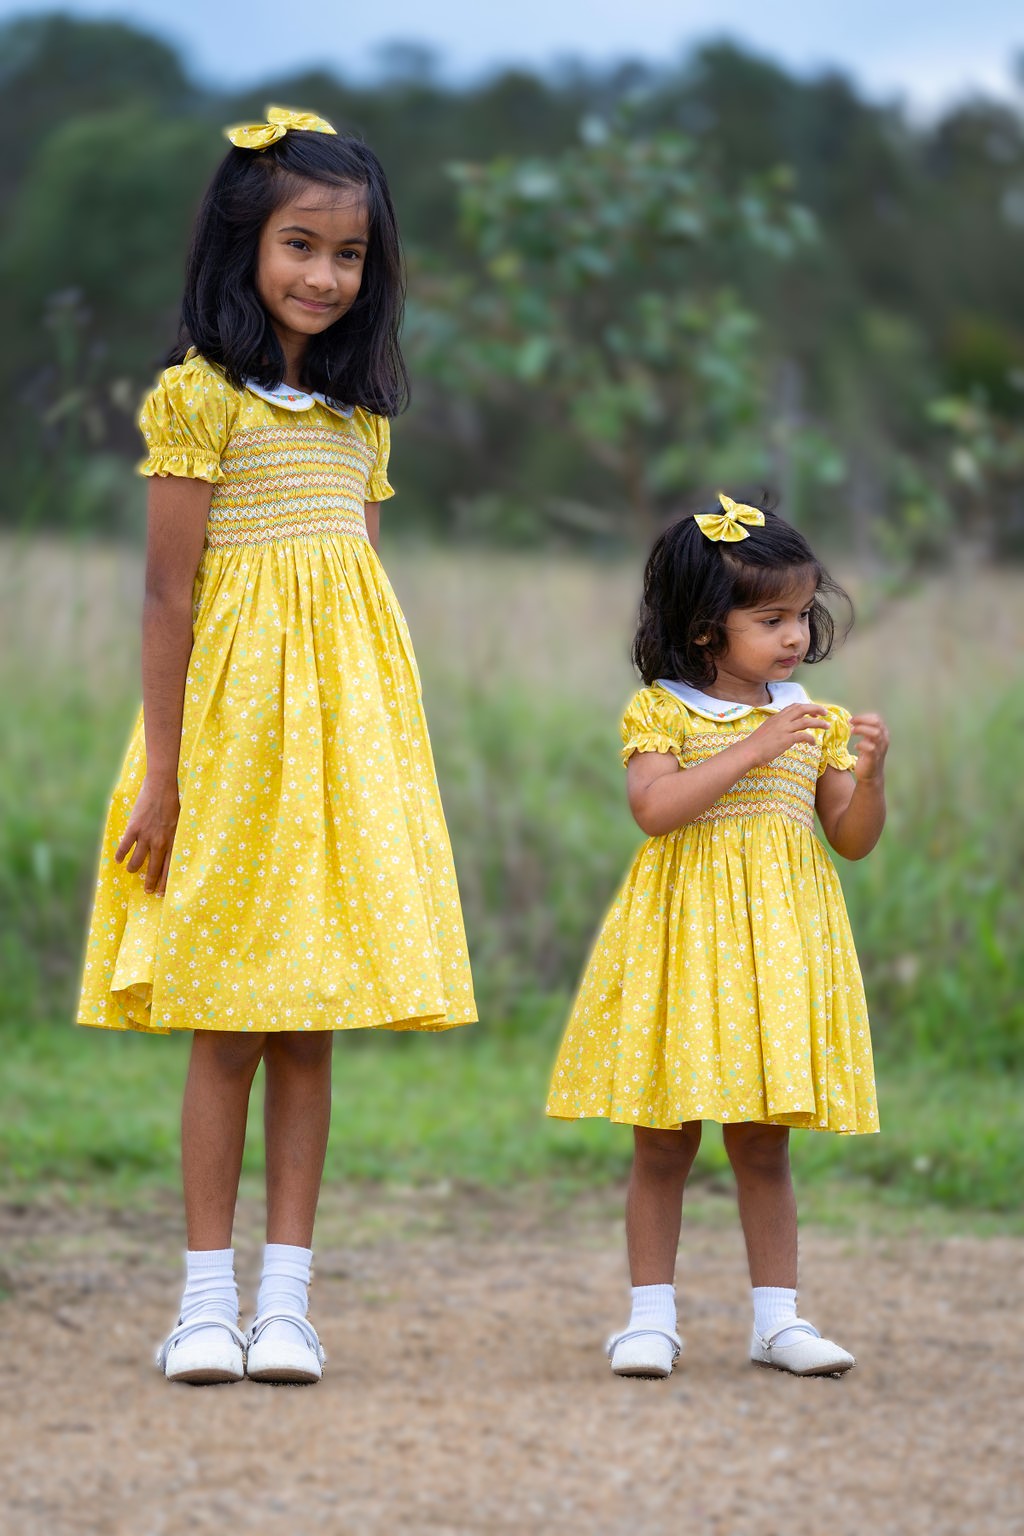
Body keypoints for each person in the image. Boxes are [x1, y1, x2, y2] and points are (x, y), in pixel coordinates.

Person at [77, 106, 477, 1386]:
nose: (322, 275)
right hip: (230, 744)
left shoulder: (361, 419)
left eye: (348, 255)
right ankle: (204, 1300)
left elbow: (356, 589)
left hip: (344, 747)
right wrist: (167, 769)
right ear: (244, 245)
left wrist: (380, 765)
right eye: (299, 245)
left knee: (310, 1027)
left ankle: (287, 1303)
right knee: (226, 1022)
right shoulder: (195, 401)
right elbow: (168, 597)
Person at [546, 493, 888, 1379]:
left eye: (802, 615)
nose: (794, 637)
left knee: (764, 1138)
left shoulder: (814, 718)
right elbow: (655, 811)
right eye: (770, 618)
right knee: (665, 1137)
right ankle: (649, 1321)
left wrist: (872, 778)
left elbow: (848, 838)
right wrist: (755, 743)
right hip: (684, 942)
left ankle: (779, 1323)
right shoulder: (662, 710)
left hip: (777, 945)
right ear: (706, 630)